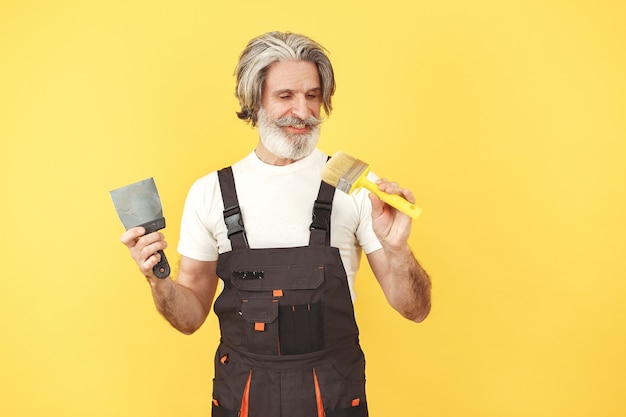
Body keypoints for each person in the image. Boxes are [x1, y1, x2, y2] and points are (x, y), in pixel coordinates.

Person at [121, 31, 431, 417]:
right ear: (255, 102)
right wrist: (157, 280)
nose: (302, 111)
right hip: (245, 397)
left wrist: (398, 249)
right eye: (285, 96)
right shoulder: (211, 194)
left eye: (312, 95)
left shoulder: (355, 189)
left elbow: (414, 309)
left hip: (333, 395)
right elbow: (188, 319)